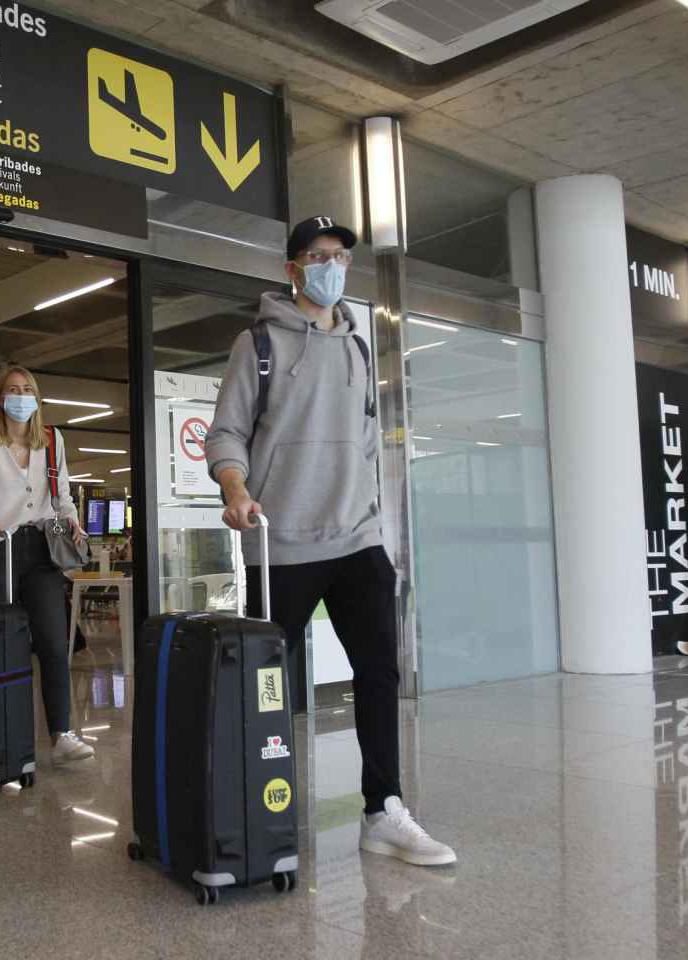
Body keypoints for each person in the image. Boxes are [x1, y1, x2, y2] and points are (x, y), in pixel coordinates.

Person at [204, 215, 456, 867]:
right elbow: (226, 433)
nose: (333, 266)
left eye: (341, 256)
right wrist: (236, 491)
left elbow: (367, 438)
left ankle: (383, 810)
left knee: (378, 670)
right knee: (269, 688)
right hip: (280, 542)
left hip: (356, 537)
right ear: (293, 269)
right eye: (319, 256)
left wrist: (375, 513)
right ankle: (260, 801)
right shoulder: (257, 343)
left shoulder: (358, 345)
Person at [0, 365, 95, 766]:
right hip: (1, 548)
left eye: (27, 389)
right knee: (5, 644)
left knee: (52, 641)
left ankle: (62, 733)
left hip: (43, 550)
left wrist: (73, 521)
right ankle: (1, 730)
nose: (20, 396)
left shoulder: (51, 442)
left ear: (36, 397)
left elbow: (62, 494)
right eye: (12, 390)